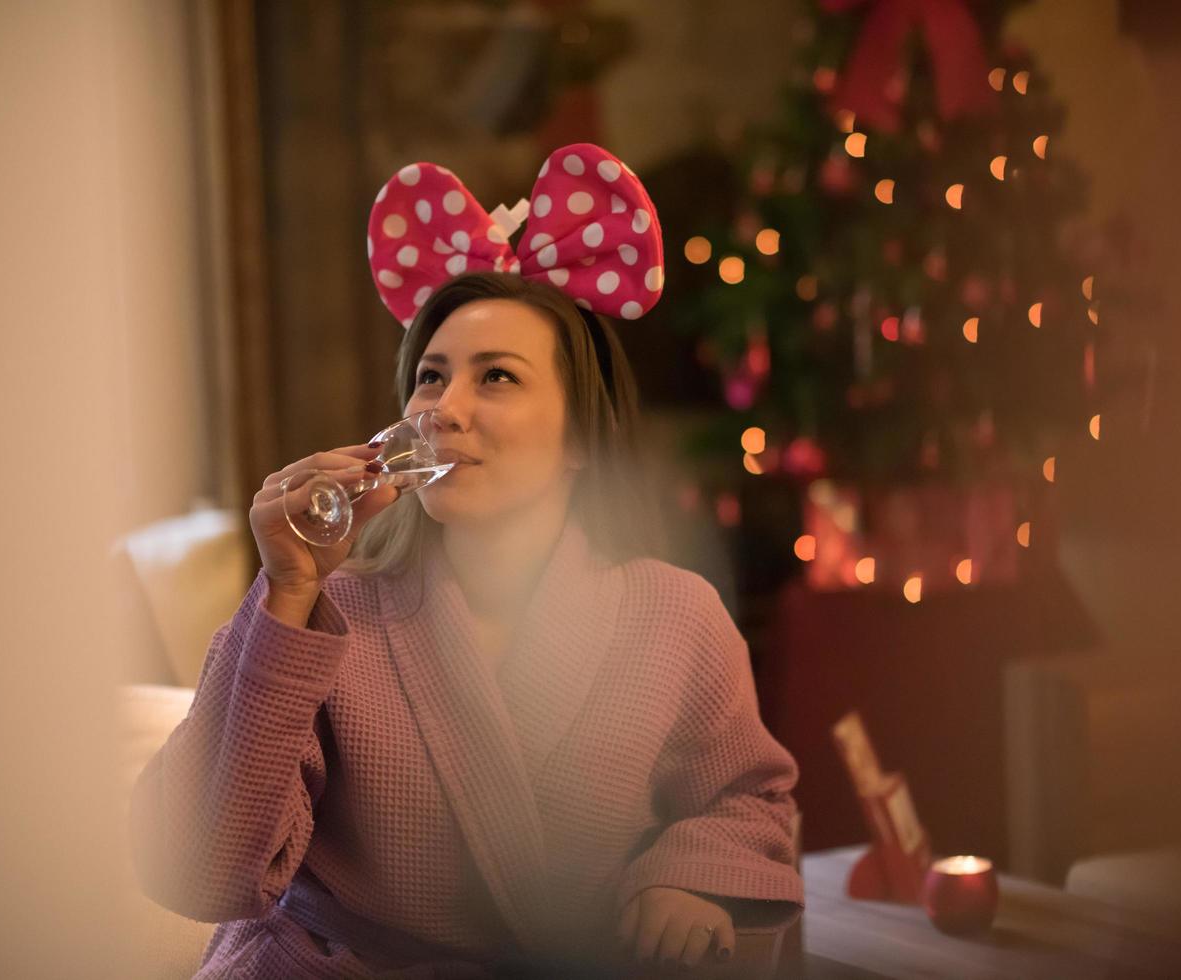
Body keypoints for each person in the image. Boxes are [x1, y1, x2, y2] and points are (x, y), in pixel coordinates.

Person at [129, 144, 804, 978]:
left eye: (496, 379)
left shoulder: (673, 615)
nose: (442, 410)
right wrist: (287, 592)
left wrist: (687, 881)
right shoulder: (323, 613)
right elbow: (204, 870)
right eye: (430, 377)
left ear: (581, 437)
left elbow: (746, 797)